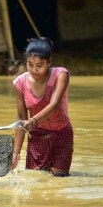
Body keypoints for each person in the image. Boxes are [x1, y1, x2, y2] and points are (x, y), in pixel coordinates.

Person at [11, 37, 74, 177]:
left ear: (49, 62)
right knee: (36, 179)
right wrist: (16, 153)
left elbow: (54, 105)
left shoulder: (60, 74)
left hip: (62, 133)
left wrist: (32, 120)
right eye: (30, 64)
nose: (34, 69)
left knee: (59, 179)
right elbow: (21, 119)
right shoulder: (20, 83)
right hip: (38, 136)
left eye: (39, 65)